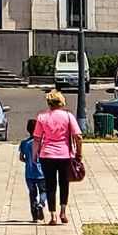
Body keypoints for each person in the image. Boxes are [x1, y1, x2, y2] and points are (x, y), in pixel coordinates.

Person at [30, 88, 83, 223]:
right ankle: (63, 212)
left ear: (49, 103)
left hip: (47, 154)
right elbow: (78, 136)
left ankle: (52, 215)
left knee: (50, 184)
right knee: (64, 184)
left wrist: (34, 155)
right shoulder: (68, 116)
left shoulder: (42, 117)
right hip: (65, 155)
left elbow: (37, 139)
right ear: (61, 102)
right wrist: (79, 153)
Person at [18, 121, 45, 222]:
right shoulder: (42, 142)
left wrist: (28, 161)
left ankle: (34, 215)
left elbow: (21, 158)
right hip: (42, 172)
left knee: (32, 193)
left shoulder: (24, 143)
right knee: (44, 190)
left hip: (29, 172)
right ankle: (41, 204)